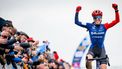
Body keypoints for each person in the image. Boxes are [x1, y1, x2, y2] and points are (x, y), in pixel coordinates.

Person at [75, 3, 120, 69]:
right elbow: (77, 22)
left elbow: (117, 21)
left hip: (101, 50)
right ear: (93, 19)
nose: (97, 19)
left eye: (99, 17)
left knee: (103, 67)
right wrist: (77, 12)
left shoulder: (105, 26)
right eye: (95, 18)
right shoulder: (90, 26)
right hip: (93, 49)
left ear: (101, 18)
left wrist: (116, 10)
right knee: (88, 60)